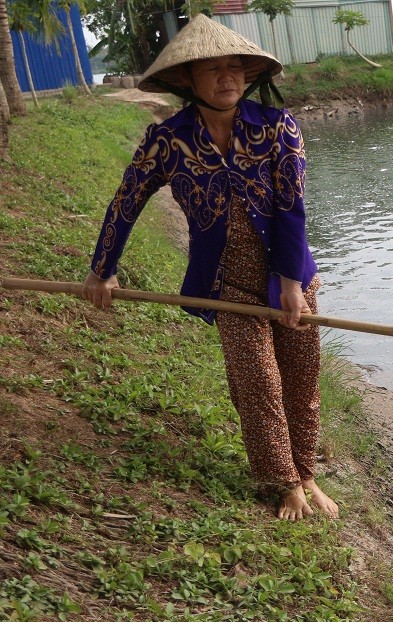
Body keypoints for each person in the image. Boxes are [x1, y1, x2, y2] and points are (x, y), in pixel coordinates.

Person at [82, 14, 339, 521]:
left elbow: (291, 207)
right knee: (259, 384)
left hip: (290, 277)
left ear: (248, 76)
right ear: (187, 80)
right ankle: (284, 482)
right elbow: (126, 201)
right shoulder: (168, 140)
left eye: (236, 68)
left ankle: (307, 473)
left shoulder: (277, 128)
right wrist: (102, 270)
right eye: (214, 69)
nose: (228, 78)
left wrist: (290, 285)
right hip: (226, 287)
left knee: (301, 379)